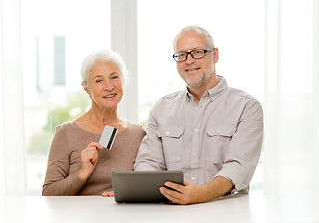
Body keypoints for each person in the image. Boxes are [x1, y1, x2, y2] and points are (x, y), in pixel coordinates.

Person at [134, 25, 264, 205]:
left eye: (197, 52)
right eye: (181, 55)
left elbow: (239, 166)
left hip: (226, 214)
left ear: (215, 55)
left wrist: (200, 194)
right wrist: (138, 190)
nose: (189, 60)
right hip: (171, 213)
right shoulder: (161, 108)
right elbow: (148, 163)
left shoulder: (247, 107)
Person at [42, 49, 145, 196]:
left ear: (123, 80)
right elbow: (48, 194)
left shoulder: (138, 133)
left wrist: (129, 193)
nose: (109, 87)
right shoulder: (65, 133)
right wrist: (82, 174)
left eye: (114, 77)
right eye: (99, 80)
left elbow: (148, 186)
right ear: (86, 88)